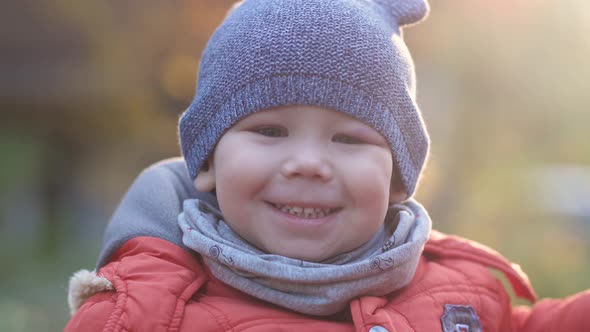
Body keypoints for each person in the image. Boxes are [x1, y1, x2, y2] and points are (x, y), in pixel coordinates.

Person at [65, 0, 590, 331]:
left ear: (396, 180)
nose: (309, 163)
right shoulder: (144, 314)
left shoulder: (461, 297)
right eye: (269, 131)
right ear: (207, 162)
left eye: (348, 137)